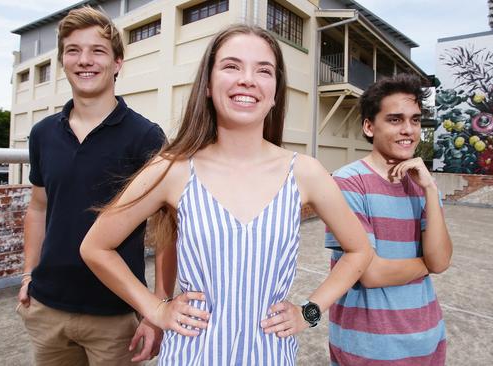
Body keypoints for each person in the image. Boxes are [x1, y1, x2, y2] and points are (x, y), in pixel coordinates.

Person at [79, 24, 375, 365]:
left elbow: (359, 250)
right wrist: (155, 309)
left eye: (263, 70)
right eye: (232, 66)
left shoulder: (304, 172)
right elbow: (96, 247)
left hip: (270, 355)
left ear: (275, 91)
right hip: (191, 355)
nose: (247, 79)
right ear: (207, 84)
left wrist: (309, 311)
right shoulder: (173, 169)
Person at [17, 7, 166, 365]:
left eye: (97, 51)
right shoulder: (42, 134)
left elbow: (166, 226)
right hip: (46, 308)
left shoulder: (145, 137)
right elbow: (38, 207)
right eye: (73, 50)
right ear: (63, 61)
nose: (85, 60)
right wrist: (27, 275)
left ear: (117, 63)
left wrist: (157, 306)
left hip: (114, 314)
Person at [326, 73, 453, 365]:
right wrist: (428, 264)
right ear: (369, 127)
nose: (408, 129)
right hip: (368, 347)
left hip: (428, 339)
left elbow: (443, 259)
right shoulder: (348, 182)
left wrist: (431, 189)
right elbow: (371, 274)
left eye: (416, 120)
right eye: (395, 120)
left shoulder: (423, 185)